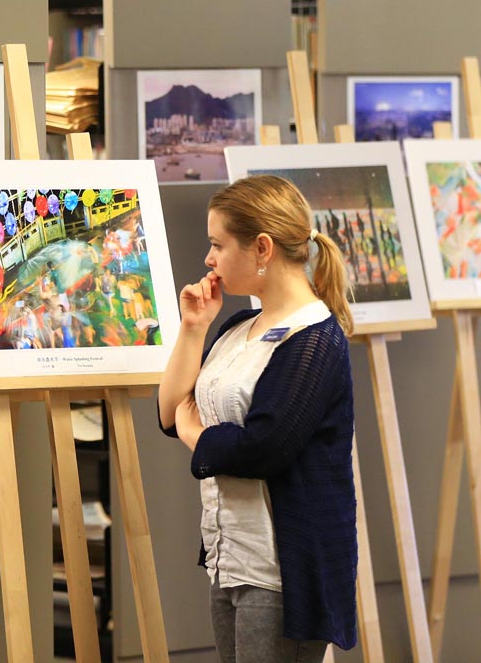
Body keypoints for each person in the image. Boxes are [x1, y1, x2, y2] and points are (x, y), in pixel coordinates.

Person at [157, 175, 358, 662]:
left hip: (280, 572)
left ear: (262, 248)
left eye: (217, 244)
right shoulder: (236, 326)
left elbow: (262, 449)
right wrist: (193, 329)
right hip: (230, 559)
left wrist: (193, 429)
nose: (208, 259)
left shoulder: (315, 339)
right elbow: (169, 410)